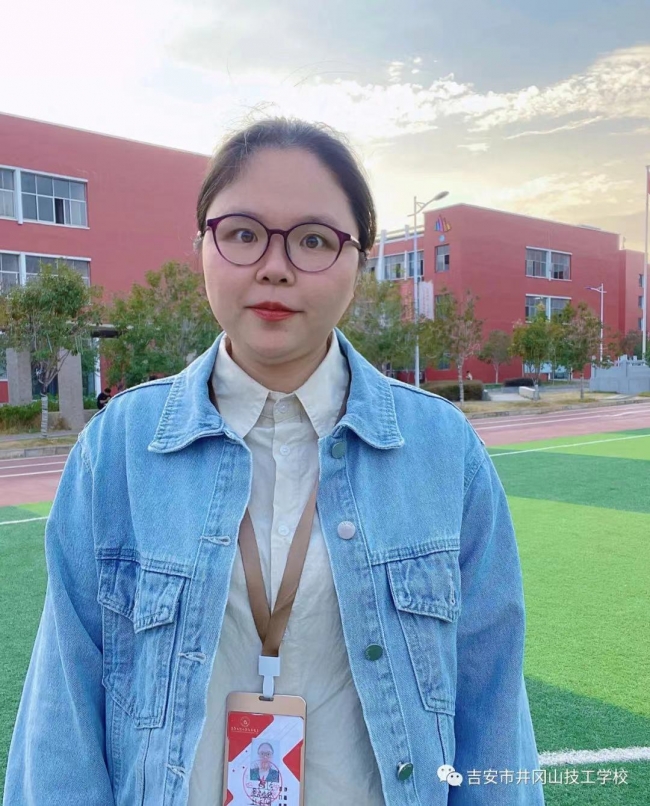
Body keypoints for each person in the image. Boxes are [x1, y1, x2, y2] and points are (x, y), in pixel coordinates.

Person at [4, 118, 544, 806]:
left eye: (314, 239)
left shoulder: (443, 451)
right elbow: (63, 714)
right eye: (242, 233)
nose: (275, 266)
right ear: (202, 246)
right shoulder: (119, 451)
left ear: (360, 261)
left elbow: (493, 707)